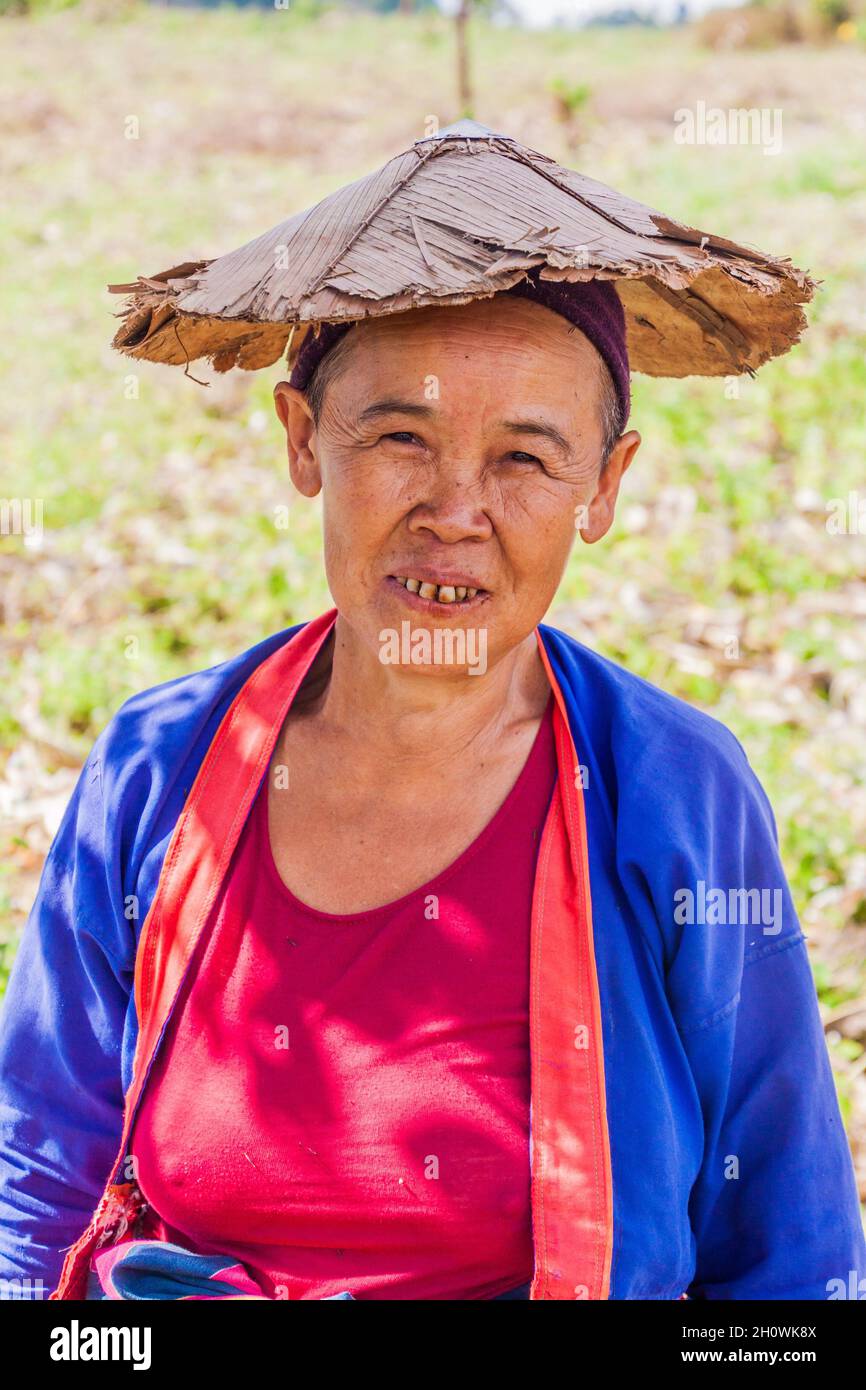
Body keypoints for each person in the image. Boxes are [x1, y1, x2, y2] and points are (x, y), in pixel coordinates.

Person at [0, 128, 862, 1302]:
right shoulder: (158, 771)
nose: (454, 510)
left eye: (524, 458)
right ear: (304, 442)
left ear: (602, 487)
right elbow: (37, 1167)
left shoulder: (674, 793)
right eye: (399, 435)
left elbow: (785, 1242)